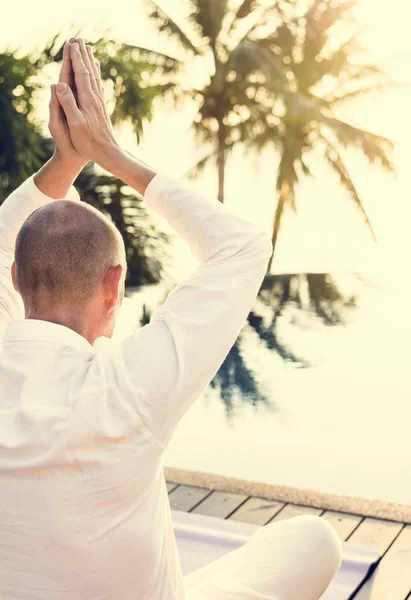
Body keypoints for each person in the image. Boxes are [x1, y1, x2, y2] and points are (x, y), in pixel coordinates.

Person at [0, 38, 342, 600]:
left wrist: (66, 162)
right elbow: (243, 248)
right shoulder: (128, 386)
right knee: (314, 540)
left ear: (15, 280)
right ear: (115, 287)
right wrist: (108, 153)